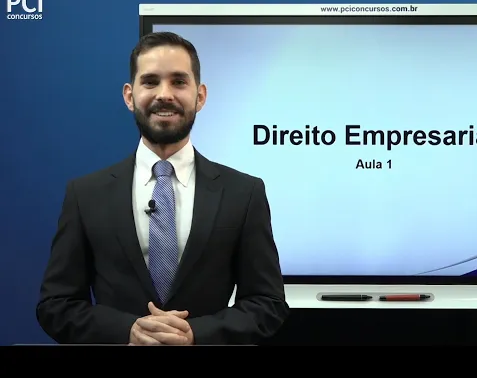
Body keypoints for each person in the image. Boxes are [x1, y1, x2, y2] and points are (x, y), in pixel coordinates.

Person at [36, 32, 289, 345]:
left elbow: (268, 304)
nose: (165, 94)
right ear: (130, 96)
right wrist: (126, 330)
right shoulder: (85, 195)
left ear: (200, 96)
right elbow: (56, 305)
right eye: (150, 81)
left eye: (179, 82)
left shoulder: (244, 193)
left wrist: (196, 334)